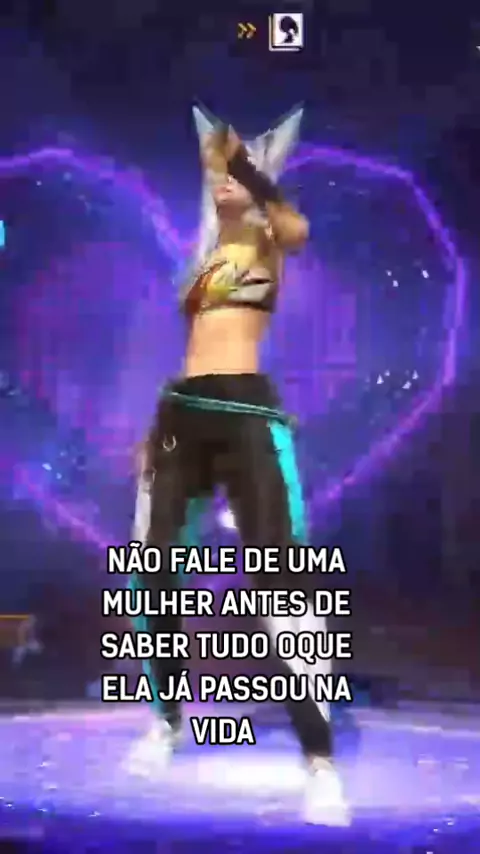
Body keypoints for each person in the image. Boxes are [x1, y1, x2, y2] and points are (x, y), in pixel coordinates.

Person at [126, 104, 350, 826]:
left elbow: (297, 228)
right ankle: (167, 721)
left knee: (283, 584)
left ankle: (320, 763)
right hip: (182, 413)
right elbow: (191, 347)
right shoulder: (205, 260)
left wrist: (247, 169)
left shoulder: (268, 239)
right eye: (216, 175)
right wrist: (154, 428)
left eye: (235, 175)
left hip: (247, 409)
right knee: (152, 569)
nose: (222, 181)